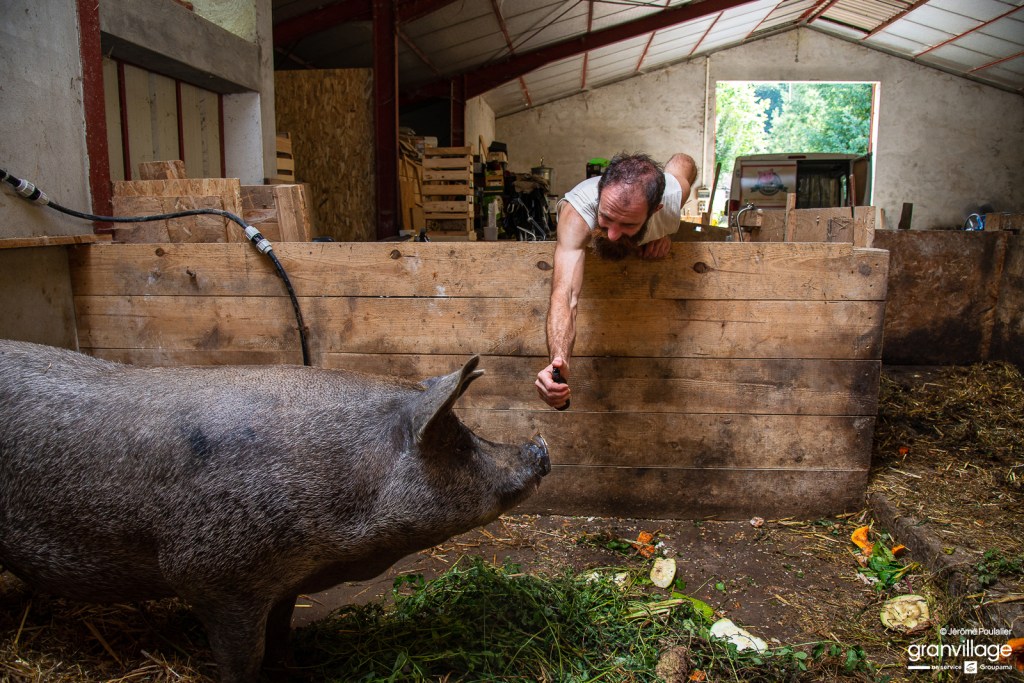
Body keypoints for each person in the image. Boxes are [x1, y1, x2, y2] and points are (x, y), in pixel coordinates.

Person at [534, 152, 698, 410]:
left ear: (656, 210)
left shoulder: (672, 197)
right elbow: (565, 295)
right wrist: (559, 361)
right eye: (606, 218)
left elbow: (683, 162)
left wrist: (661, 232)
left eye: (628, 224)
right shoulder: (579, 212)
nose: (611, 235)